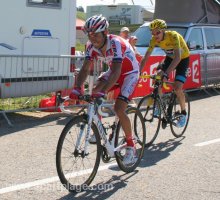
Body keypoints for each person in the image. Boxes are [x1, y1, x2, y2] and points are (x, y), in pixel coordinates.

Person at [70, 15, 140, 165]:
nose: (92, 37)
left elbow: (116, 71)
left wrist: (104, 91)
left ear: (106, 31)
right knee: (93, 92)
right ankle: (97, 129)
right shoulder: (90, 46)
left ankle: (131, 146)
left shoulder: (115, 42)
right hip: (115, 72)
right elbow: (84, 68)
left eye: (95, 34)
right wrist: (77, 88)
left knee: (119, 108)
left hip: (129, 73)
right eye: (89, 34)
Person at [140, 19, 190, 128]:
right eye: (153, 32)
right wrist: (138, 72)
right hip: (169, 58)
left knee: (177, 88)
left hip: (182, 59)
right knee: (158, 76)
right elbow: (146, 57)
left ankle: (183, 113)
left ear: (163, 30)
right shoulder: (153, 40)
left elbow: (178, 57)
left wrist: (166, 73)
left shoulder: (173, 36)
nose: (155, 35)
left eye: (157, 32)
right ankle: (160, 104)